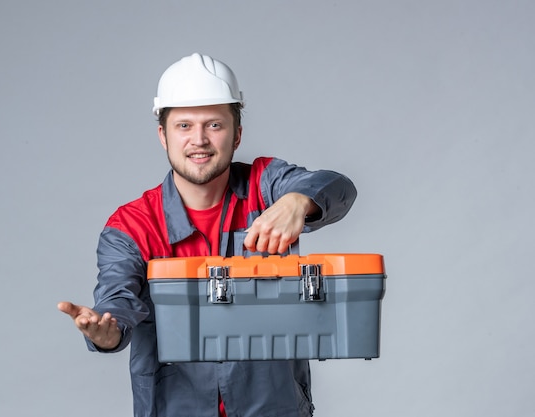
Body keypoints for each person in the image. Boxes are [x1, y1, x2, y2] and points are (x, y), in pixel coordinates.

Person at [58, 52, 357, 417]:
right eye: (184, 126)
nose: (199, 140)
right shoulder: (134, 224)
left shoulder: (266, 185)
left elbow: (338, 187)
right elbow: (116, 297)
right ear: (163, 136)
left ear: (237, 134)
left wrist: (299, 201)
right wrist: (109, 332)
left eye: (214, 125)